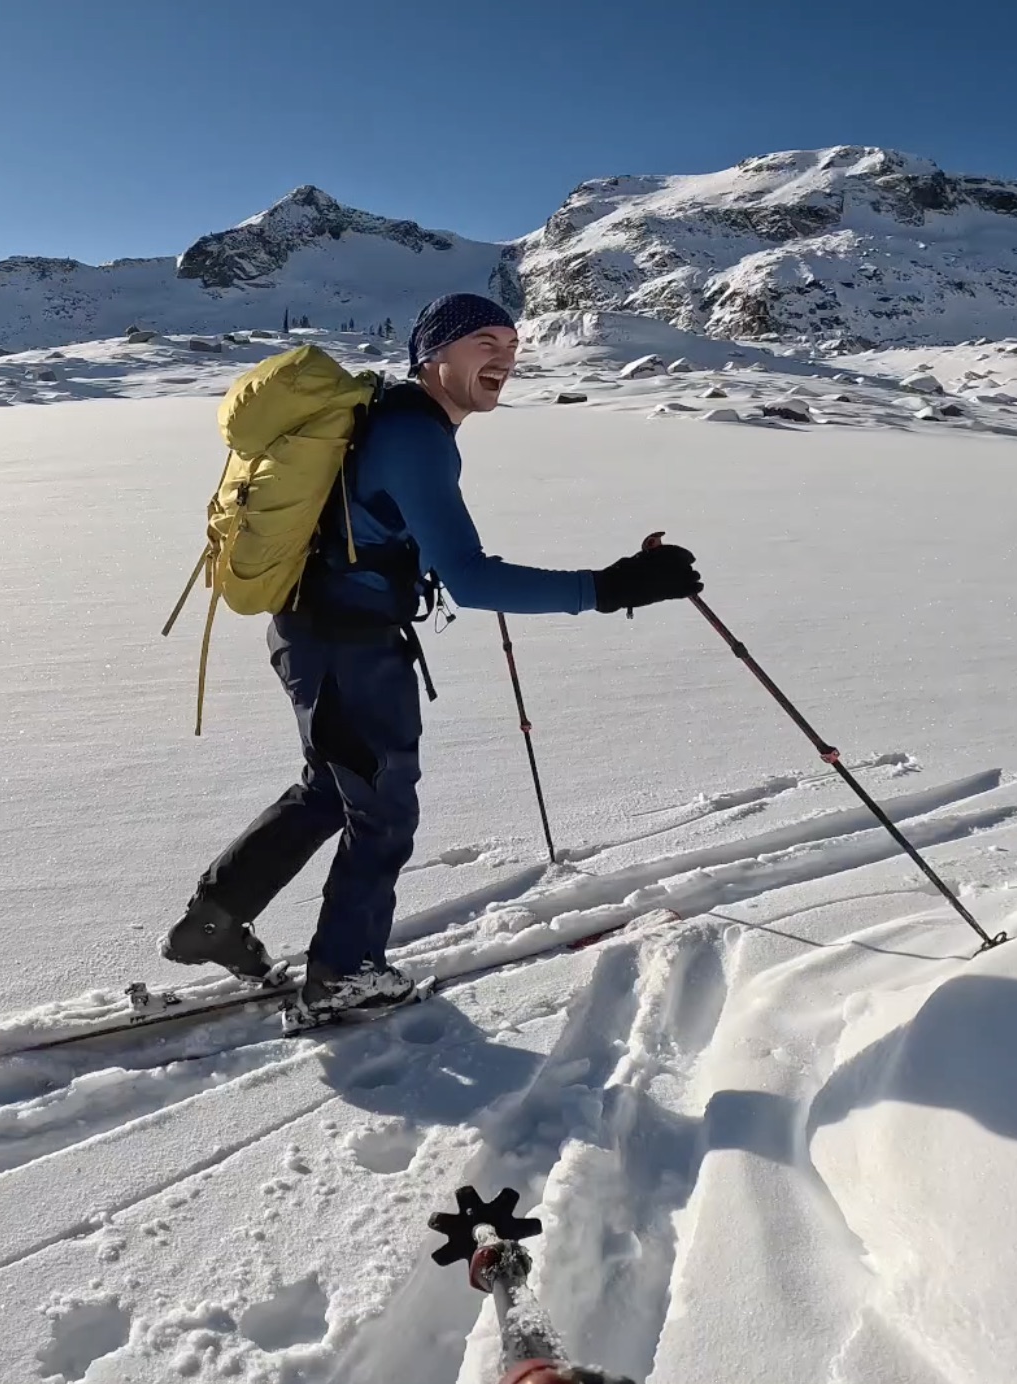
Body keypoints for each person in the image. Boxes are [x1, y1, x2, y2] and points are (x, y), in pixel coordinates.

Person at [162, 292, 704, 1023]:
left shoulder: (387, 422)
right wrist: (610, 588)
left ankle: (215, 921)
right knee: (381, 812)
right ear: (433, 355)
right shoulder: (413, 436)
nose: (505, 357)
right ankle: (344, 973)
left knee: (332, 787)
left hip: (309, 634)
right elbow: (473, 578)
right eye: (484, 341)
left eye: (512, 344)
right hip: (350, 649)